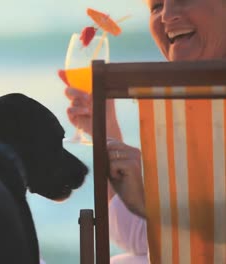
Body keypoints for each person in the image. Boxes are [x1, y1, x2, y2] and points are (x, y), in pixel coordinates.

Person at [65, 0, 226, 263]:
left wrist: (149, 205)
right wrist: (106, 130)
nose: (167, 16)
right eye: (157, 6)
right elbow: (143, 239)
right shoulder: (194, 106)